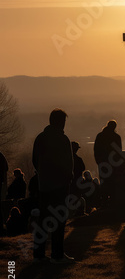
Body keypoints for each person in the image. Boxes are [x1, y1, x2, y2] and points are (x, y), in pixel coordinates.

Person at [32, 108, 74, 264]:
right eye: (63, 122)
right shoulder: (62, 139)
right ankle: (57, 255)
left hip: (44, 185)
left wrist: (43, 175)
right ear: (60, 122)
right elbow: (68, 163)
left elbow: (35, 160)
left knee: (43, 220)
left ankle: (39, 255)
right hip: (60, 186)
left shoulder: (40, 138)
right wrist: (67, 177)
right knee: (59, 220)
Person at [94, 120, 122, 204]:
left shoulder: (100, 136)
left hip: (102, 162)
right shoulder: (116, 137)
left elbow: (96, 150)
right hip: (112, 164)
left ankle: (104, 199)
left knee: (104, 181)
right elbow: (119, 151)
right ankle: (112, 199)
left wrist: (98, 161)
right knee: (112, 181)